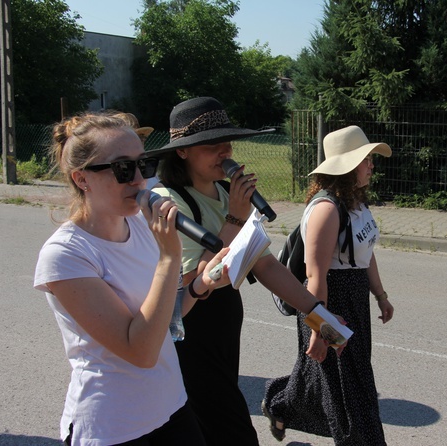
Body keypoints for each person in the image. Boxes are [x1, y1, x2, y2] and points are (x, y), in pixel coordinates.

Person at [145, 97, 336, 446]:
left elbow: (262, 264)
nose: (225, 153)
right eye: (212, 146)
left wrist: (318, 315)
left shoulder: (223, 191)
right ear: (183, 152)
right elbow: (192, 282)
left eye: (228, 144)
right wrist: (234, 217)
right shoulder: (169, 201)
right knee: (231, 432)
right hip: (190, 339)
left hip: (222, 336)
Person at [33, 112, 231, 445]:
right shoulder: (66, 256)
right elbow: (140, 351)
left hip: (171, 406)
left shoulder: (140, 224)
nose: (140, 180)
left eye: (145, 165)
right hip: (114, 426)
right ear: (82, 179)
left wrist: (199, 285)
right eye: (124, 169)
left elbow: (165, 319)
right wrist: (170, 258)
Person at [262, 125, 395, 445]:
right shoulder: (326, 210)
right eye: (367, 159)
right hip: (328, 305)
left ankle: (280, 406)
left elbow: (366, 255)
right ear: (349, 165)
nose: (371, 165)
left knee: (341, 376)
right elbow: (317, 275)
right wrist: (320, 328)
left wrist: (381, 295)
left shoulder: (357, 204)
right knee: (347, 390)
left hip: (355, 303)